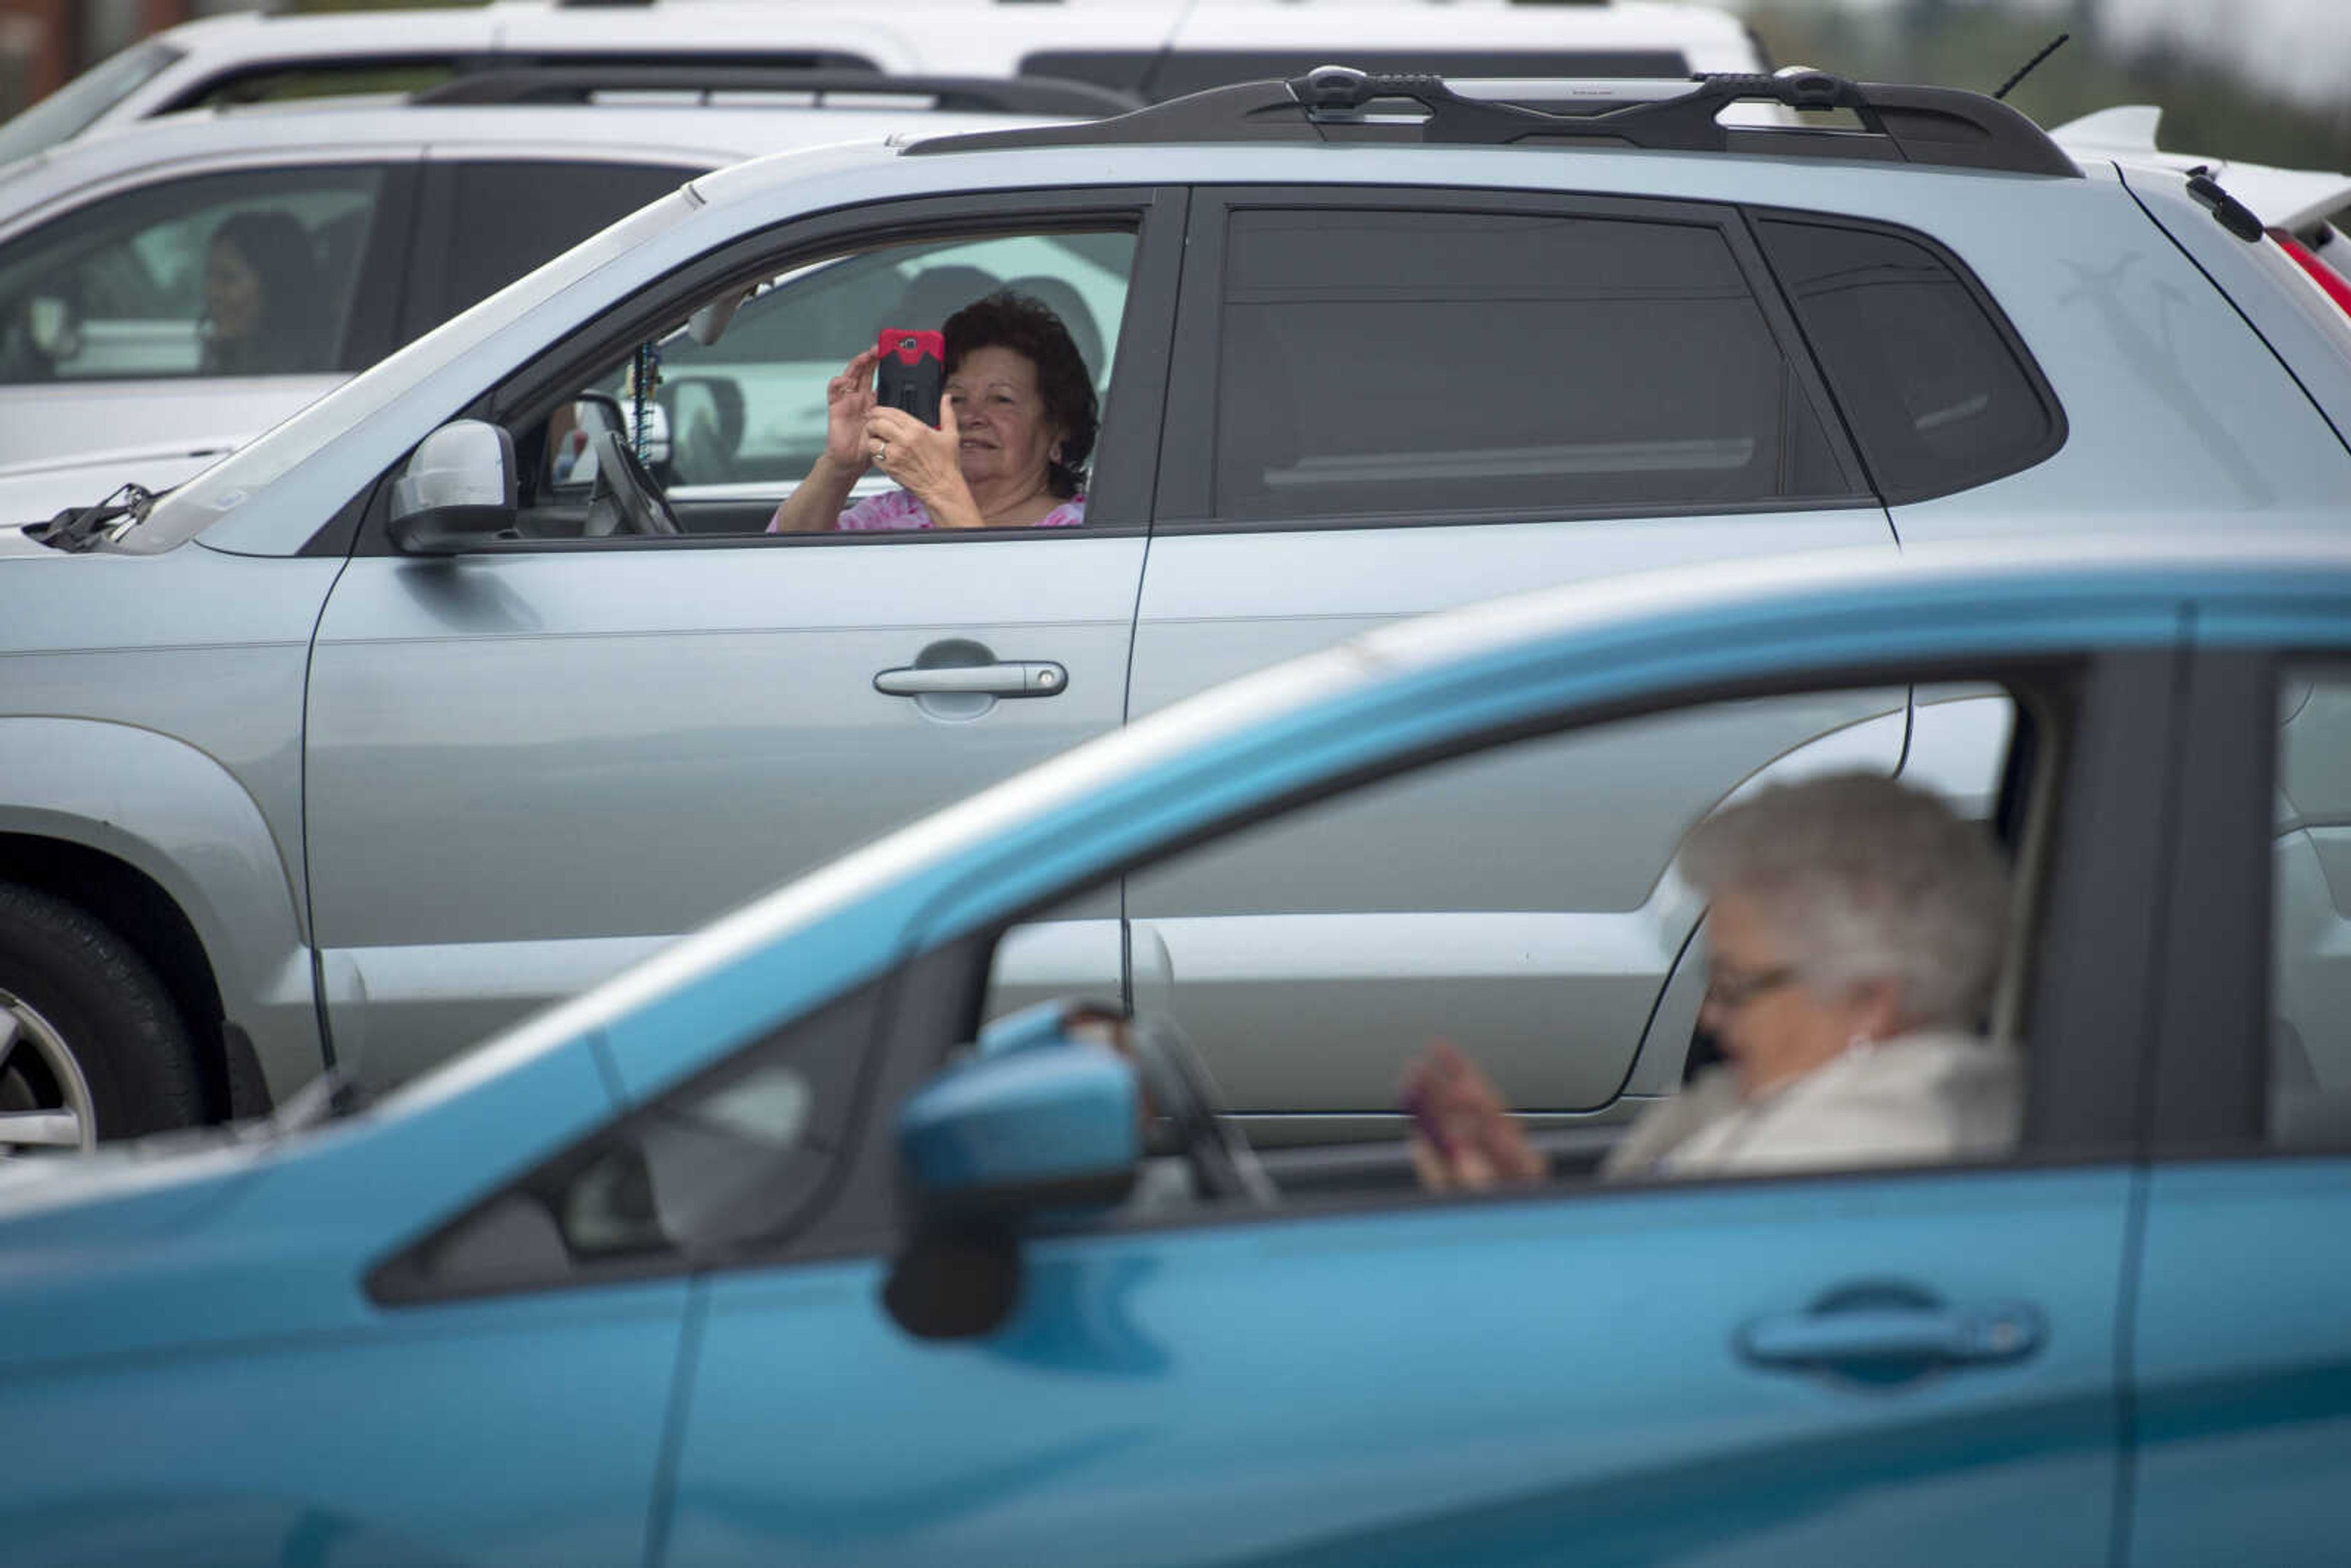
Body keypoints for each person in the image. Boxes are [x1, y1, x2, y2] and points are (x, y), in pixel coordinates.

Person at [1401, 771, 2023, 1188]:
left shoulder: (1842, 1158)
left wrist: (1511, 1229)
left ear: (1869, 1002)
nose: (1710, 1016)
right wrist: (1522, 1190)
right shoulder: (1829, 1110)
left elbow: (1621, 1335)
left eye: (1733, 984)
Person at [768, 289, 1095, 534]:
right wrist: (840, 466)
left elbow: (1004, 609)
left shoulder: (1081, 531)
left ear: (1058, 430)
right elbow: (778, 570)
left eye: (1001, 399)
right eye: (955, 398)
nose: (970, 416)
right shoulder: (892, 512)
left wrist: (940, 489)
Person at [198, 210, 326, 377]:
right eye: (210, 277)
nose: (212, 293)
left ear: (275, 288)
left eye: (228, 278)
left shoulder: (301, 375)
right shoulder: (225, 360)